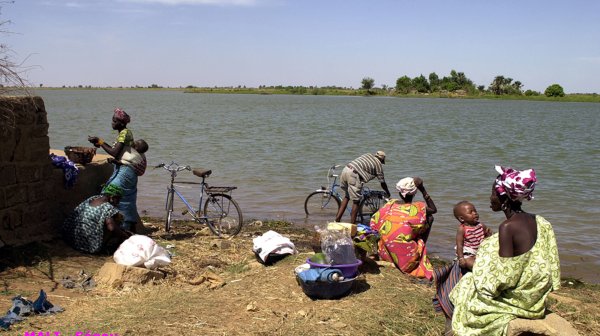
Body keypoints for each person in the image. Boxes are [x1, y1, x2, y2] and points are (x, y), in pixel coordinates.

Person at [448, 166, 560, 336]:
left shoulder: (507, 227)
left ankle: (451, 325)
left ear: (504, 199)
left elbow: (503, 279)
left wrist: (475, 266)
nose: (490, 198)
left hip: (521, 302)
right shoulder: (539, 220)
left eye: (493, 193)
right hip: (536, 298)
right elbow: (549, 260)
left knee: (464, 285)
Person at [369, 177, 437, 280]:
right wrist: (422, 189)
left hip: (385, 254)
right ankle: (420, 247)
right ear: (414, 193)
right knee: (429, 218)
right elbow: (433, 209)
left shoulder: (390, 204)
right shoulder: (418, 207)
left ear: (399, 192)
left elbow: (374, 222)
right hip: (407, 262)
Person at [88, 108, 139, 230]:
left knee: (110, 192)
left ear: (121, 123)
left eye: (114, 121)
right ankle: (130, 229)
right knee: (127, 199)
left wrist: (100, 142)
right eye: (112, 120)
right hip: (127, 169)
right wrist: (100, 143)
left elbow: (115, 152)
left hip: (126, 170)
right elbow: (118, 152)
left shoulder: (125, 133)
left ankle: (117, 228)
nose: (112, 123)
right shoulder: (123, 133)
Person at [61, 183, 132, 254]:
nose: (118, 202)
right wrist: (125, 236)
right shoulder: (108, 208)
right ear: (112, 197)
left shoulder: (92, 198)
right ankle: (104, 248)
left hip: (72, 239)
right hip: (88, 246)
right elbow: (112, 228)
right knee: (117, 220)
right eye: (118, 199)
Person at [334, 151, 391, 224]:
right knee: (356, 201)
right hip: (353, 174)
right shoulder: (378, 164)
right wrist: (387, 192)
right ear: (382, 159)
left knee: (347, 196)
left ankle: (337, 220)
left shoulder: (367, 155)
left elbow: (361, 166)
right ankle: (353, 225)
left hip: (345, 170)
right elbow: (382, 182)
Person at [453, 201, 492, 270]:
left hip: (480, 249)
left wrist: (489, 235)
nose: (475, 213)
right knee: (470, 263)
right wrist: (461, 258)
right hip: (469, 253)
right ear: (462, 218)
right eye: (471, 212)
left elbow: (486, 239)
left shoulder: (481, 225)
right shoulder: (462, 229)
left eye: (475, 211)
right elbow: (460, 245)